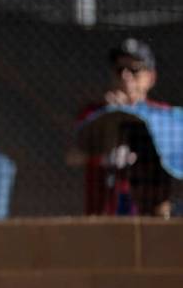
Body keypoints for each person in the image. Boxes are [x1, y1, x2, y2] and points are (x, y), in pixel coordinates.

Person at [72, 38, 172, 216]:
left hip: (148, 215)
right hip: (104, 215)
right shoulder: (95, 113)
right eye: (120, 70)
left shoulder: (163, 115)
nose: (126, 76)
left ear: (151, 77)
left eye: (134, 70)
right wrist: (112, 115)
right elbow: (74, 156)